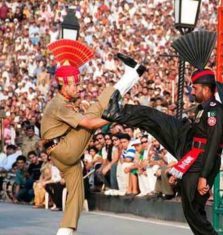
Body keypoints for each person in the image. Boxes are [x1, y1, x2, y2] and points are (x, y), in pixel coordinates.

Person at [102, 69, 223, 235]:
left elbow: (212, 145)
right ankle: (118, 112)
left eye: (196, 88)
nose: (192, 91)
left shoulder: (215, 111)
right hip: (190, 149)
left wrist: (204, 176)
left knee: (192, 209)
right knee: (155, 119)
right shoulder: (202, 108)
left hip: (202, 160)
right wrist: (178, 172)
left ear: (206, 89)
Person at [41, 51, 146, 235]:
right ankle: (132, 74)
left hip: (61, 152)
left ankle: (65, 232)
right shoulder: (59, 104)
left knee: (76, 194)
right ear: (62, 84)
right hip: (64, 149)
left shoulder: (64, 101)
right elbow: (89, 124)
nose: (77, 88)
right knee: (97, 109)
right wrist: (113, 117)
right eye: (74, 84)